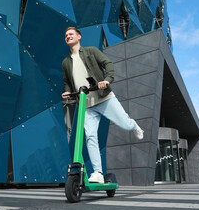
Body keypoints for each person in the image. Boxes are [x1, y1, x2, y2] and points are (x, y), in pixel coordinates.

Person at [62, 27, 144, 183]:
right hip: (85, 104)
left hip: (104, 98)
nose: (68, 36)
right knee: (90, 136)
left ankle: (134, 125)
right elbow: (67, 82)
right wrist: (67, 92)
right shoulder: (66, 62)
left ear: (79, 36)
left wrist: (107, 80)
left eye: (70, 34)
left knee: (125, 125)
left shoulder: (91, 51)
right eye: (66, 35)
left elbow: (108, 63)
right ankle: (98, 172)